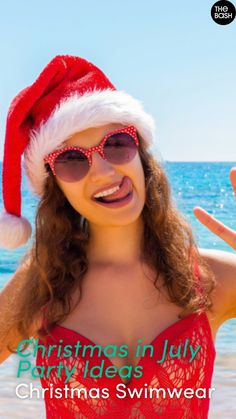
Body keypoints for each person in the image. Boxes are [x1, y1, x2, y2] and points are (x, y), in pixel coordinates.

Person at [0, 55, 235, 419]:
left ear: (140, 154)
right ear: (56, 186)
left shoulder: (213, 278)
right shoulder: (40, 288)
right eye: (73, 160)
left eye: (116, 144)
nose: (104, 171)